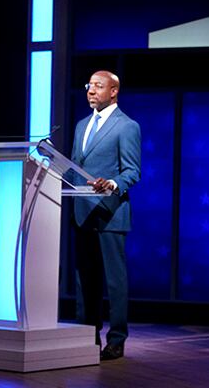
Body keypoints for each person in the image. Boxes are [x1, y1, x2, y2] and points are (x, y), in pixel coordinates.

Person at [71, 70, 141, 361]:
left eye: (98, 86)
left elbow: (132, 171)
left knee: (114, 281)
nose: (91, 91)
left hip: (111, 213)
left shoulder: (127, 126)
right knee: (85, 279)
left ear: (114, 91)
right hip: (82, 213)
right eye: (89, 86)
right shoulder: (81, 126)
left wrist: (111, 184)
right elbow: (75, 166)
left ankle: (117, 339)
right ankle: (88, 336)